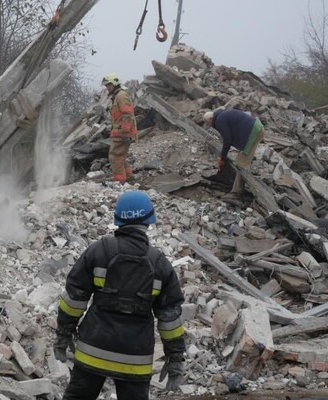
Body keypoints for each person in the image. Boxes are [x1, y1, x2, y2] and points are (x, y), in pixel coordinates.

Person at [54, 191, 186, 400]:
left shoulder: (99, 251)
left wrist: (63, 333)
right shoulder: (160, 263)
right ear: (149, 221)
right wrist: (175, 357)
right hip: (135, 359)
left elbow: (74, 299)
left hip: (93, 351)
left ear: (118, 220)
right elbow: (170, 318)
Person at [203, 108, 266, 194]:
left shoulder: (219, 120)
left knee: (242, 163)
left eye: (208, 123)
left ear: (211, 119)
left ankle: (237, 192)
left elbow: (227, 140)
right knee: (242, 160)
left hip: (254, 132)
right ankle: (239, 188)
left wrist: (222, 158)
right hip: (256, 128)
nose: (209, 125)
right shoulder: (222, 115)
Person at [102, 74, 138, 183]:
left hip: (122, 134)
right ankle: (129, 176)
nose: (107, 88)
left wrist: (124, 130)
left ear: (115, 84)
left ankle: (119, 181)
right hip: (120, 133)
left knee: (115, 157)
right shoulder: (117, 96)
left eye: (109, 85)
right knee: (120, 156)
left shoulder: (121, 96)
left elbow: (127, 114)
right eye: (106, 86)